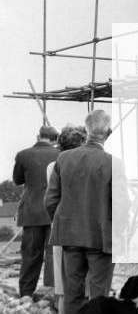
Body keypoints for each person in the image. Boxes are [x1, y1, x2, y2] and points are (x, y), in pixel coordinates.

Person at [45, 110, 129, 314]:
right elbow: (122, 205)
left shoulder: (63, 159)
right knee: (99, 296)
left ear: (87, 130)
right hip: (101, 239)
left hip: (70, 237)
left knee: (73, 295)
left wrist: (65, 223)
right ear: (108, 132)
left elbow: (50, 201)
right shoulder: (113, 163)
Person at [13, 125, 60, 299]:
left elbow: (18, 180)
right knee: (52, 254)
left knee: (30, 254)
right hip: (53, 212)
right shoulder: (60, 155)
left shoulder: (23, 154)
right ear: (55, 139)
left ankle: (25, 293)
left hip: (31, 212)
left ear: (38, 136)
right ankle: (51, 292)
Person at [47, 126, 87, 314]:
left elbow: (51, 200)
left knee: (63, 286)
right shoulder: (88, 163)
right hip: (88, 226)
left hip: (62, 227)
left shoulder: (53, 166)